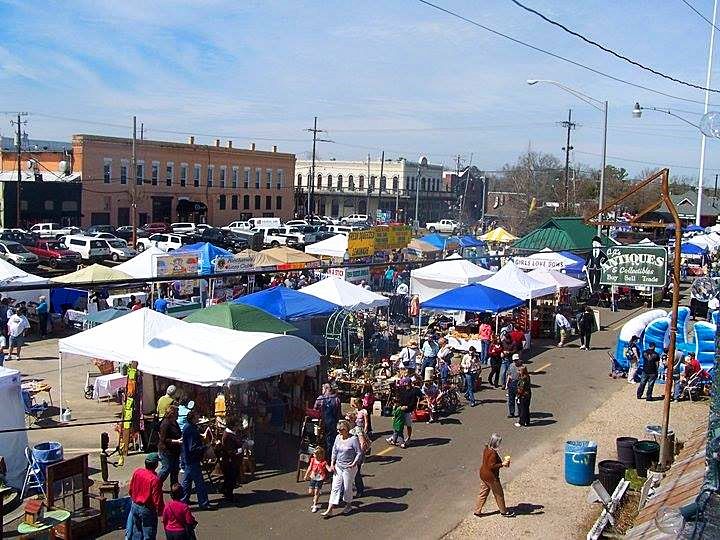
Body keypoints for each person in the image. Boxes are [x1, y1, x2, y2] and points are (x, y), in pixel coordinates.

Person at [323, 420, 362, 517]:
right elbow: (334, 451)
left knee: (347, 487)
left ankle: (348, 505)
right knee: (335, 487)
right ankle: (330, 509)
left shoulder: (353, 439)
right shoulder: (337, 437)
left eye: (341, 429)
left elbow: (359, 452)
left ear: (346, 429)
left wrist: (354, 463)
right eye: (338, 429)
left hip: (349, 468)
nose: (339, 431)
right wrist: (332, 463)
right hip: (338, 466)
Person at [126, 453, 165, 540]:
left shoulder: (137, 472)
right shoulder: (155, 479)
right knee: (149, 534)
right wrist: (161, 512)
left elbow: (131, 489)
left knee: (136, 531)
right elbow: (157, 499)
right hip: (147, 509)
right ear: (156, 465)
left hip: (135, 505)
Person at [475, 433, 513, 517]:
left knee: (483, 493)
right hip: (491, 477)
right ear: (496, 443)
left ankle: (477, 510)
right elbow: (491, 466)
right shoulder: (493, 453)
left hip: (483, 474)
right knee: (499, 494)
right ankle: (504, 511)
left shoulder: (487, 448)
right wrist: (502, 464)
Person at [181, 410, 211, 509]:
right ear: (193, 418)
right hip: (192, 459)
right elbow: (192, 448)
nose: (199, 418)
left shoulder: (188, 427)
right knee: (199, 483)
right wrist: (205, 447)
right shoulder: (191, 430)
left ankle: (183, 500)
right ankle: (203, 503)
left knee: (187, 481)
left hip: (188, 458)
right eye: (197, 416)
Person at [314, 383, 342, 457]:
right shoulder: (337, 399)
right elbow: (338, 414)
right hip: (332, 423)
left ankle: (319, 456)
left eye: (323, 389)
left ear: (326, 389)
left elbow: (315, 410)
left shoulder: (320, 398)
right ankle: (329, 456)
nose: (322, 390)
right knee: (331, 440)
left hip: (321, 423)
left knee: (318, 439)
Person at [158, 406, 182, 487]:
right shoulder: (165, 424)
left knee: (175, 470)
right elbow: (164, 439)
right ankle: (155, 484)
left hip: (175, 450)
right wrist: (176, 441)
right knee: (166, 468)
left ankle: (175, 489)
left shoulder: (175, 422)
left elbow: (178, 433)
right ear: (172, 414)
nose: (178, 414)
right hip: (166, 450)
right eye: (177, 413)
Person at [221, 418, 242, 502]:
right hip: (230, 461)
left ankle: (225, 490)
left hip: (233, 461)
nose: (237, 427)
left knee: (231, 477)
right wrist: (239, 450)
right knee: (231, 477)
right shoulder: (227, 436)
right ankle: (229, 495)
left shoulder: (232, 434)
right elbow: (230, 451)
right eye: (236, 425)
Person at [396, 379, 422, 446]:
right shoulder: (402, 390)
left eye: (407, 383)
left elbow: (418, 398)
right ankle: (395, 438)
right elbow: (399, 398)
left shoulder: (414, 390)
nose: (405, 385)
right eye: (404, 383)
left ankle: (408, 438)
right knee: (398, 424)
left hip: (408, 411)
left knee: (408, 425)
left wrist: (409, 406)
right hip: (401, 410)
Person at [304, 446, 331, 513]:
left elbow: (329, 469)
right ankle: (318, 494)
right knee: (310, 492)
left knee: (316, 492)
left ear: (320, 455)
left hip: (320, 479)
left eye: (314, 454)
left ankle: (315, 505)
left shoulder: (324, 462)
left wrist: (332, 468)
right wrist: (306, 475)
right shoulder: (313, 460)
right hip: (313, 477)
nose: (313, 455)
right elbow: (310, 467)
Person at [505, 354, 522, 419]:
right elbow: (509, 375)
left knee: (518, 400)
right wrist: (507, 384)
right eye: (514, 360)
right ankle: (511, 413)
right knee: (511, 400)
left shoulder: (521, 367)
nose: (515, 361)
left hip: (518, 383)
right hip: (511, 383)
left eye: (516, 360)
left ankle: (520, 412)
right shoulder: (511, 365)